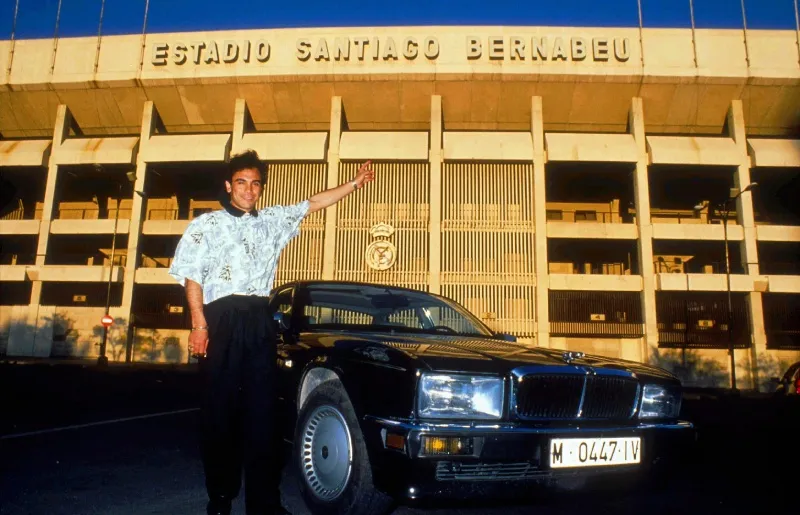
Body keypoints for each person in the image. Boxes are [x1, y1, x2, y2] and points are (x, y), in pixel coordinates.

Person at [168, 150, 375, 515]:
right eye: (242, 183)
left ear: (261, 188)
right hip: (221, 320)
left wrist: (355, 184)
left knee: (263, 416)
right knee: (220, 414)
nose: (249, 190)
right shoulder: (206, 225)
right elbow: (192, 278)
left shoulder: (273, 220)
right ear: (229, 185)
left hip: (260, 321)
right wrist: (199, 325)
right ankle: (220, 497)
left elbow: (314, 203)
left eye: (256, 184)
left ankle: (264, 503)